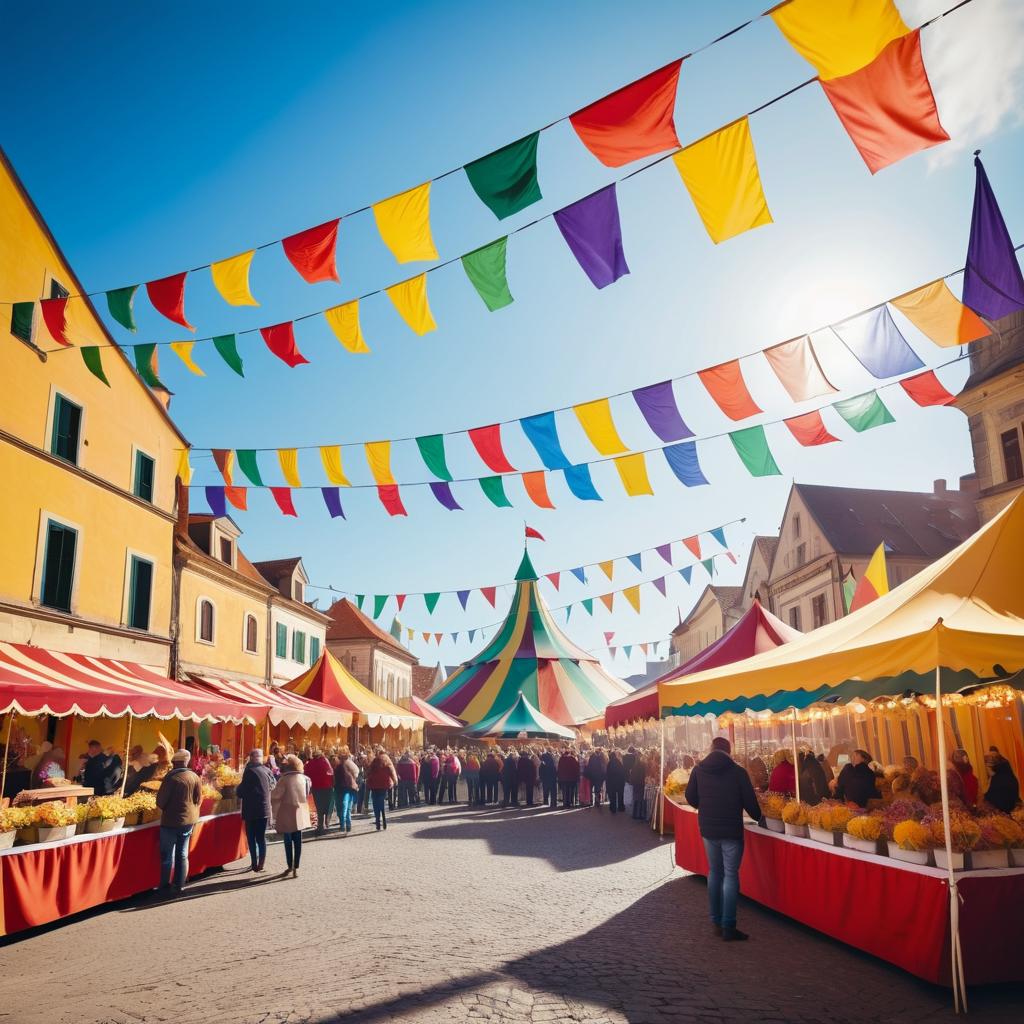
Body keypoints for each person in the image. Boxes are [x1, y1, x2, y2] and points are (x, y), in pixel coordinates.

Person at [684, 737, 762, 942]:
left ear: (711, 749)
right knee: (730, 875)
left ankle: (716, 920)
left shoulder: (698, 769)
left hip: (708, 829)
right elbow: (752, 806)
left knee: (714, 872)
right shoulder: (738, 772)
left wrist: (706, 804)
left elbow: (690, 797)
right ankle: (729, 925)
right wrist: (760, 817)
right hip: (731, 831)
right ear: (729, 751)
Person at [155, 749, 202, 894]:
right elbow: (198, 799)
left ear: (176, 762)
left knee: (167, 855)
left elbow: (161, 802)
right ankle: (180, 884)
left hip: (171, 821)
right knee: (182, 853)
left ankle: (164, 885)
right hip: (188, 821)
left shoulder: (171, 778)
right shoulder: (194, 776)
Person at [271, 755, 312, 878]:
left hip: (287, 811)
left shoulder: (284, 779)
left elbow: (276, 795)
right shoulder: (303, 778)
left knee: (288, 840)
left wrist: (269, 793)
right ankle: (296, 867)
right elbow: (307, 792)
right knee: (298, 840)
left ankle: (290, 865)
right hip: (300, 810)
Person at [237, 749, 275, 872]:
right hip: (264, 809)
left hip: (251, 810)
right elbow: (273, 785)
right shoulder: (267, 770)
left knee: (252, 837)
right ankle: (261, 862)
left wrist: (237, 790)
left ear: (252, 758)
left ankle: (254, 862)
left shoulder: (249, 771)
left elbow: (241, 791)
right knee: (261, 837)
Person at [304, 749, 334, 835]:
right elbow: (331, 772)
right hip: (327, 787)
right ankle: (326, 823)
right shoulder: (325, 761)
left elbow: (306, 773)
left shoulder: (310, 763)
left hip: (316, 787)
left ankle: (320, 826)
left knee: (319, 806)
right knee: (327, 805)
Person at [367, 748, 397, 830]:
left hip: (374, 784)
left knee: (375, 802)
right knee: (381, 800)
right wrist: (394, 781)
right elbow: (392, 771)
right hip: (384, 784)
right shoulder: (387, 760)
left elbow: (369, 772)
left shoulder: (375, 760)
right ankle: (383, 816)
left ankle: (377, 820)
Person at [334, 747, 359, 833]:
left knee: (343, 806)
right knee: (346, 807)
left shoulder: (340, 764)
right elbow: (356, 772)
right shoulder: (347, 763)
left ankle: (343, 825)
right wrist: (353, 779)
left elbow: (356, 772)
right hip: (348, 787)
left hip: (341, 788)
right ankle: (347, 825)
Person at [629, 754, 647, 819]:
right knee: (640, 800)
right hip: (641, 784)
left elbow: (632, 776)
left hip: (636, 785)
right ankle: (639, 814)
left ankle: (634, 814)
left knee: (635, 799)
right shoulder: (643, 766)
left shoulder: (634, 766)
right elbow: (644, 775)